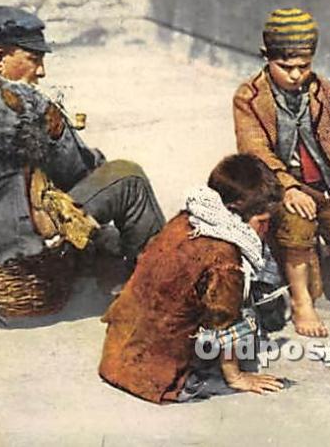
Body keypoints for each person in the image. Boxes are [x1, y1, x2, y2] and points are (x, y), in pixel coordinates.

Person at [0, 6, 164, 290]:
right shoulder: (23, 101)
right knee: (127, 176)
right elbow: (79, 171)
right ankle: (158, 288)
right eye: (33, 59)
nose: (41, 72)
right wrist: (97, 164)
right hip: (11, 252)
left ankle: (112, 263)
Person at [233, 8, 330, 337]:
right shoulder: (249, 97)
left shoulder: (327, 93)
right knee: (297, 226)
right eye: (286, 67)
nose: (297, 74)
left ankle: (311, 251)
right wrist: (288, 188)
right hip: (279, 189)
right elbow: (255, 151)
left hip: (325, 191)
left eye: (304, 66)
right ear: (266, 57)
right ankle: (301, 301)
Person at [99, 154, 286, 403]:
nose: (265, 230)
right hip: (156, 376)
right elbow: (224, 320)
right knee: (244, 309)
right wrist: (236, 377)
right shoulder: (226, 255)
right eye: (262, 222)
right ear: (236, 213)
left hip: (117, 355)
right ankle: (200, 376)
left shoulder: (187, 219)